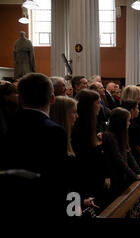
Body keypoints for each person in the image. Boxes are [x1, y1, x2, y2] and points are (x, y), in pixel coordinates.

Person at [1, 73, 68, 217]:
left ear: (19, 99)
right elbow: (57, 181)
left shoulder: (7, 125)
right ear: (52, 99)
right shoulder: (55, 131)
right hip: (43, 206)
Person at [49, 96, 99, 211]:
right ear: (63, 115)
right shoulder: (59, 139)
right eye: (74, 112)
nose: (77, 116)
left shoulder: (69, 137)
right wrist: (78, 203)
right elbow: (62, 183)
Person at [71, 89, 111, 209]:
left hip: (96, 177)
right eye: (98, 103)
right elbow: (84, 158)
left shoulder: (92, 123)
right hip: (87, 180)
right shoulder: (79, 127)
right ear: (88, 105)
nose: (100, 106)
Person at [103, 108, 140, 199]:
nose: (129, 123)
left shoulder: (121, 134)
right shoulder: (110, 136)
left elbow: (129, 154)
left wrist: (139, 172)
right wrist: (134, 176)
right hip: (115, 175)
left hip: (123, 175)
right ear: (120, 122)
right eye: (128, 120)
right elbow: (118, 159)